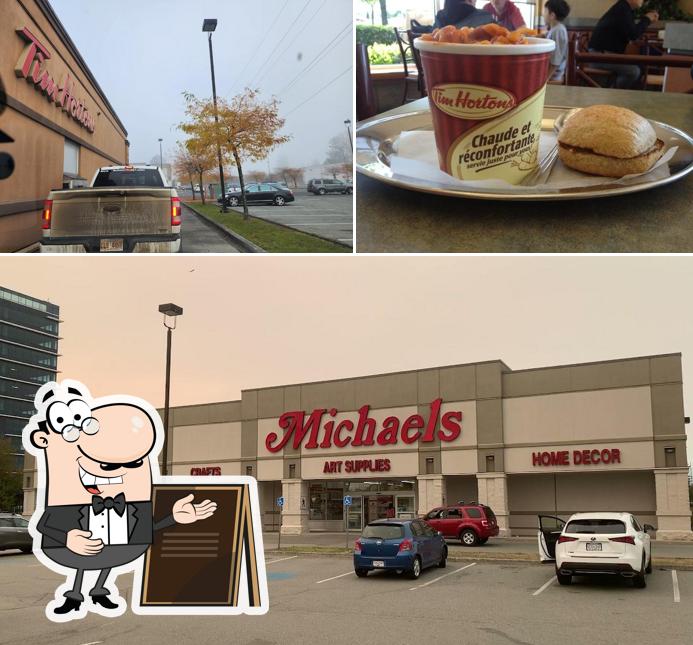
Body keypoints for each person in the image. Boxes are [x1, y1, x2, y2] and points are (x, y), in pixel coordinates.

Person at [588, 0, 659, 89]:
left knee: (640, 67)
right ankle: (613, 95)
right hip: (599, 56)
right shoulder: (622, 9)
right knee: (634, 71)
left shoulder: (624, 8)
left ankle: (612, 92)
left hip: (603, 55)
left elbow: (628, 33)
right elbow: (633, 34)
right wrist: (647, 19)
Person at [544, 0, 571, 82]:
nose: (543, 14)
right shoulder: (556, 29)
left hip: (554, 77)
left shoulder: (558, 30)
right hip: (551, 73)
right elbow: (547, 35)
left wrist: (546, 79)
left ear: (552, 15)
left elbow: (556, 60)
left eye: (545, 11)